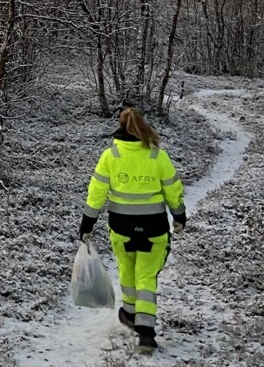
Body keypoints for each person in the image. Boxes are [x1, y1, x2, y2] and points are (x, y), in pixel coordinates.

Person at [79, 106, 187, 355]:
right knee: (146, 276)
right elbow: (173, 189)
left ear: (120, 126)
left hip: (122, 228)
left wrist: (87, 223)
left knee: (127, 270)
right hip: (154, 228)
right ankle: (146, 334)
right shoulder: (157, 156)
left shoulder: (111, 155)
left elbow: (96, 193)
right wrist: (179, 216)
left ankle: (129, 313)